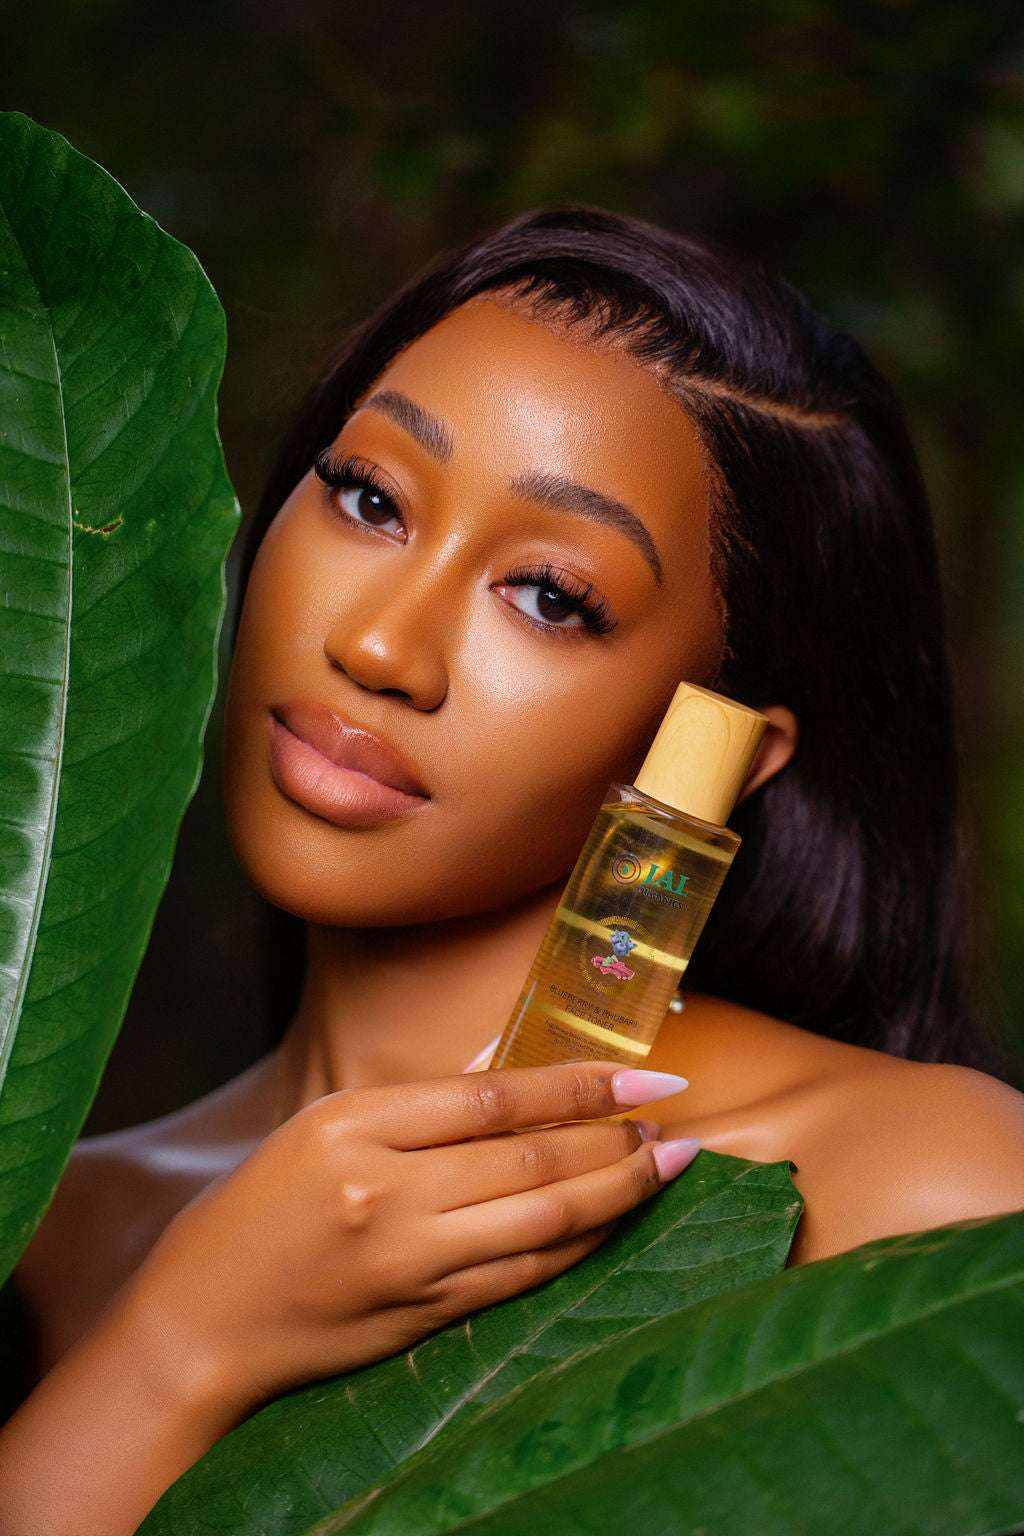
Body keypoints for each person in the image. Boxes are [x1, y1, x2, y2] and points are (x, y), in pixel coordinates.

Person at [3, 204, 1023, 1534]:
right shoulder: (57, 1227)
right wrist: (179, 1348)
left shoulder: (926, 1193)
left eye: (551, 595)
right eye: (368, 498)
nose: (379, 647)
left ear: (710, 750)